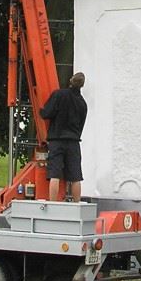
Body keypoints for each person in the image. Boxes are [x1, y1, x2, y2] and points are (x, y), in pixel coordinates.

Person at [40, 71, 87, 201]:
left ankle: (53, 203)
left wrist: (41, 111)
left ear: (71, 80)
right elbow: (81, 125)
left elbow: (46, 114)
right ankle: (77, 204)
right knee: (76, 176)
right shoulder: (82, 103)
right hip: (73, 142)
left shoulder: (59, 95)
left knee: (54, 174)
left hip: (57, 140)